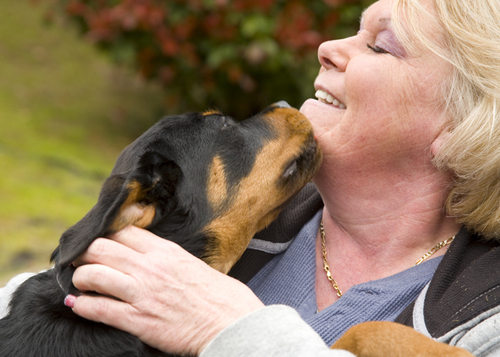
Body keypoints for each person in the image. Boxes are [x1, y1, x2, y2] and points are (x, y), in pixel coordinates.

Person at [3, 0, 500, 355]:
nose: (327, 47)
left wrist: (229, 329)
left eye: (380, 46)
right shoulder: (218, 227)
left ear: (464, 122)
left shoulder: (485, 320)